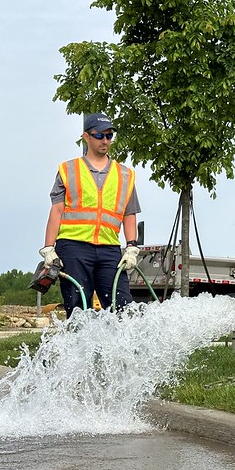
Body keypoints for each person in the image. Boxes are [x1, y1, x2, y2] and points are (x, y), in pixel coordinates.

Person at [39, 113, 141, 318]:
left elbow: (129, 214)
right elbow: (57, 210)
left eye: (109, 136)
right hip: (73, 246)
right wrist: (49, 248)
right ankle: (78, 347)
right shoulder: (68, 170)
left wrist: (131, 247)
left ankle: (120, 349)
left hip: (109, 249)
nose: (105, 141)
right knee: (77, 307)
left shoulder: (125, 175)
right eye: (99, 136)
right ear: (86, 137)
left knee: (122, 306)